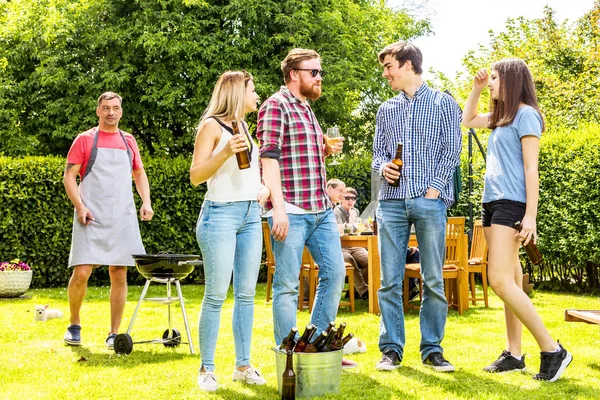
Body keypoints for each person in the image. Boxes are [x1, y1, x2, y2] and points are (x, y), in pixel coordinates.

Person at [462, 59, 572, 381]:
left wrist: (531, 217)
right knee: (509, 276)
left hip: (512, 204)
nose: (492, 83)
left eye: (495, 78)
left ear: (511, 80)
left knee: (498, 281)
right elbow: (467, 119)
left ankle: (553, 349)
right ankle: (513, 353)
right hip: (492, 203)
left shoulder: (527, 115)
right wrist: (476, 89)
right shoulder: (500, 117)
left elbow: (530, 169)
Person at [257, 48, 354, 368]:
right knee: (287, 285)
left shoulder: (307, 108)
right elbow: (268, 160)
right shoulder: (275, 106)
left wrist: (323, 147)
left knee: (336, 272)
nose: (319, 77)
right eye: (314, 72)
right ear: (295, 74)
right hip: (292, 212)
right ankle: (290, 356)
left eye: (320, 72)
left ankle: (313, 347)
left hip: (321, 210)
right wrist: (278, 209)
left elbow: (300, 159)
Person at [372, 41, 462, 372]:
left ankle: (432, 349)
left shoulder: (443, 103)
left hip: (429, 202)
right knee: (390, 281)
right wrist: (384, 168)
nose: (385, 73)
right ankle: (391, 349)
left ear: (408, 65)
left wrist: (435, 190)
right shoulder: (386, 110)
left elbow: (452, 150)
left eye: (389, 66)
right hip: (392, 204)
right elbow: (377, 153)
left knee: (433, 278)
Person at [190, 70, 270, 392]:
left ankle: (243, 365)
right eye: (253, 90)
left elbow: (244, 175)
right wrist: (224, 151)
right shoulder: (210, 126)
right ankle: (207, 369)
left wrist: (261, 188)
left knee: (247, 295)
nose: (257, 96)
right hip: (219, 216)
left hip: (251, 214)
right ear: (237, 92)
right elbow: (196, 176)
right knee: (215, 294)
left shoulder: (245, 128)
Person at [63, 92, 154, 349]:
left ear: (121, 112)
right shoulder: (84, 140)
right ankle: (74, 324)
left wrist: (146, 202)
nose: (111, 112)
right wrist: (80, 206)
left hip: (122, 216)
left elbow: (139, 172)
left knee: (119, 272)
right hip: (90, 214)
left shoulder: (129, 141)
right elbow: (69, 177)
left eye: (115, 108)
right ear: (98, 111)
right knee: (81, 271)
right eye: (106, 108)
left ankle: (114, 333)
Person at [334, 187, 369, 299]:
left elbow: (358, 229)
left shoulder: (355, 211)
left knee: (372, 260)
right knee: (350, 260)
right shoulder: (336, 211)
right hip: (341, 246)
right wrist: (356, 226)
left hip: (356, 246)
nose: (350, 201)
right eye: (347, 198)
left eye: (353, 198)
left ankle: (353, 290)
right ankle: (364, 291)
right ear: (341, 199)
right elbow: (340, 229)